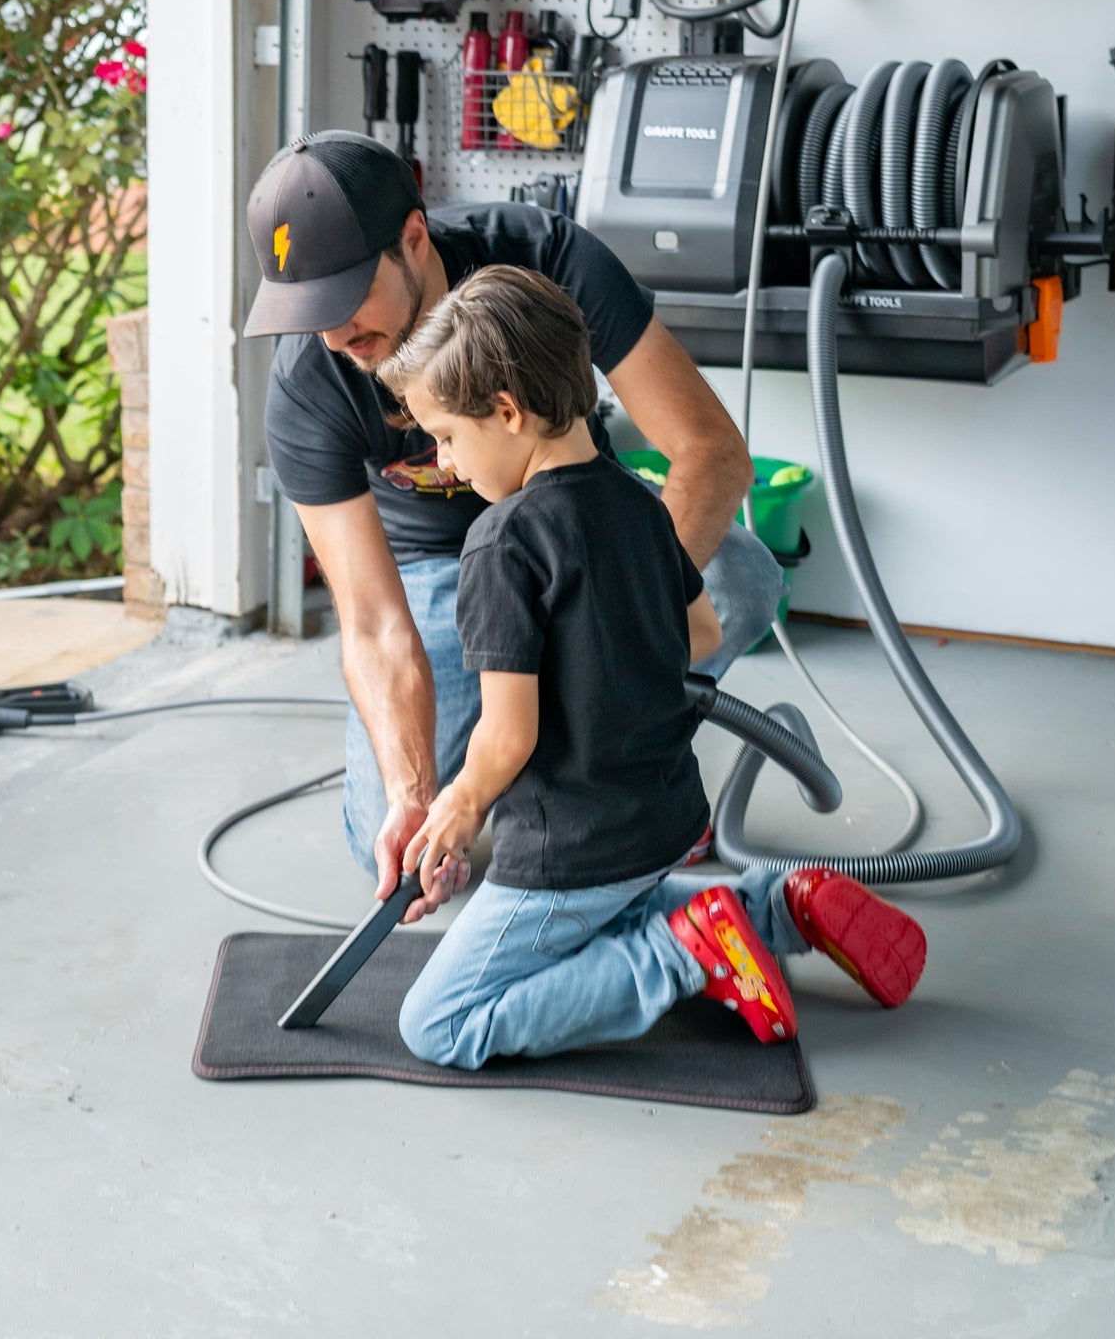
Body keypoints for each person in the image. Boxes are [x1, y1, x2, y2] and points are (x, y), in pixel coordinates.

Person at [374, 265, 927, 1066]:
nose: (447, 463)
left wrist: (455, 812)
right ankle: (770, 909)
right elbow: (699, 633)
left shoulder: (502, 543)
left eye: (450, 437)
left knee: (439, 1023)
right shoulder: (640, 500)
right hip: (663, 825)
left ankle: (684, 956)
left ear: (507, 412)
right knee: (609, 906)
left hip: (566, 855)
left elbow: (508, 736)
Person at [245, 132, 788, 920]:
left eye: (346, 296)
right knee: (390, 832)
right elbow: (370, 625)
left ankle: (623, 769)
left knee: (738, 582)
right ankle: (548, 745)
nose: (332, 335)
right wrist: (415, 790)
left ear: (413, 239)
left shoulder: (545, 261)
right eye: (308, 309)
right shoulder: (311, 382)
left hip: (580, 521)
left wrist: (613, 622)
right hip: (440, 574)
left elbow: (711, 453)